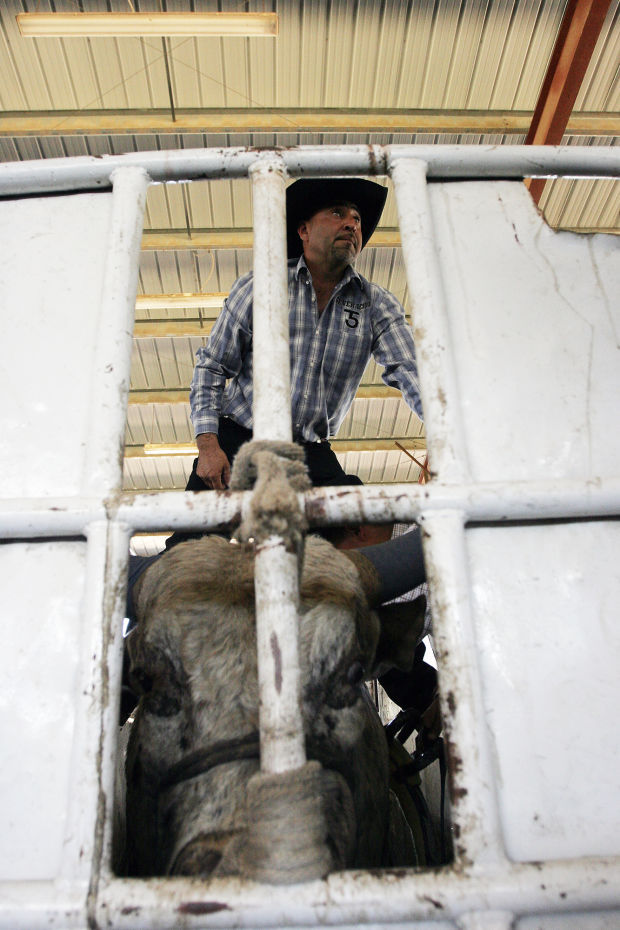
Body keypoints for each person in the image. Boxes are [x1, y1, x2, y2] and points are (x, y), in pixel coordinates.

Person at [187, 177, 423, 492]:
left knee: (359, 525)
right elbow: (213, 365)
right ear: (304, 231)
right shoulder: (262, 286)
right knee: (192, 538)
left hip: (308, 452)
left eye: (357, 219)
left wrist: (446, 430)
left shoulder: (376, 304)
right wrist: (208, 446)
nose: (352, 224)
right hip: (239, 440)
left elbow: (410, 370)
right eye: (338, 213)